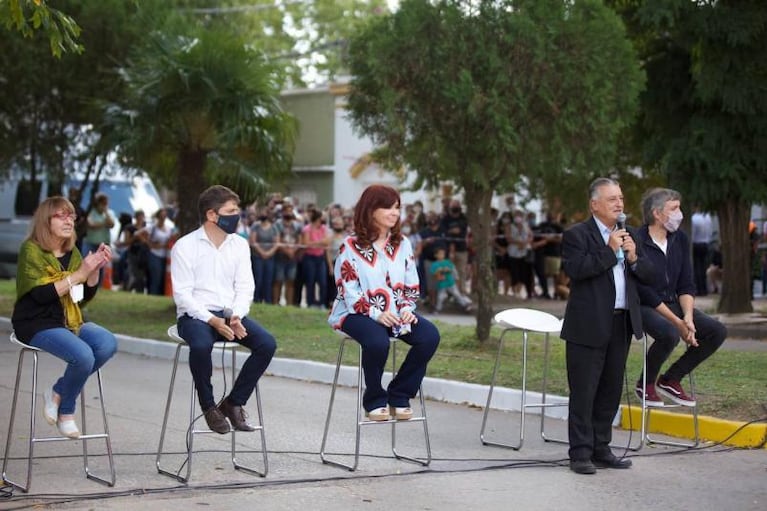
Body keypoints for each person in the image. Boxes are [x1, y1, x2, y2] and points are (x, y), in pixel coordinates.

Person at [560, 177, 653, 475]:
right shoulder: (577, 235)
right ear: (594, 204)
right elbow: (576, 271)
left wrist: (634, 257)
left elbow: (649, 275)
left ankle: (602, 447)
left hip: (620, 323)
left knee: (610, 389)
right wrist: (609, 251)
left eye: (621, 199)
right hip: (587, 324)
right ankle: (580, 453)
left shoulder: (631, 235)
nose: (619, 204)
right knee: (585, 390)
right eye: (612, 199)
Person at [328, 184, 440, 421]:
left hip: (396, 312)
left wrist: (408, 309)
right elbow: (348, 290)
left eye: (397, 207)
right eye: (387, 207)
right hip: (354, 313)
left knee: (429, 336)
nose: (394, 212)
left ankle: (399, 394)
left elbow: (411, 283)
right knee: (378, 341)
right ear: (370, 210)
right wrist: (375, 313)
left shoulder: (403, 244)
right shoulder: (350, 246)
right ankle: (374, 399)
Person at [171, 185, 276, 434]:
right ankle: (209, 407)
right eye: (230, 211)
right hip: (195, 316)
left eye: (237, 210)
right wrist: (212, 320)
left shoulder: (239, 246)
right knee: (200, 346)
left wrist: (236, 315)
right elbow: (183, 296)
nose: (236, 216)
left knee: (266, 344)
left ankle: (233, 402)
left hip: (230, 315)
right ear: (211, 215)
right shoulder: (184, 247)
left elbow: (245, 287)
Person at [11, 196, 117, 438]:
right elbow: (40, 295)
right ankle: (67, 410)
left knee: (106, 343)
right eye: (62, 215)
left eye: (72, 216)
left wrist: (94, 271)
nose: (69, 220)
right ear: (46, 220)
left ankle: (57, 392)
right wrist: (79, 274)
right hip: (35, 321)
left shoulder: (73, 252)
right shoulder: (32, 250)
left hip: (68, 319)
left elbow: (82, 298)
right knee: (82, 355)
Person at [633, 188, 727, 408]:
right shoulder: (637, 239)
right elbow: (643, 290)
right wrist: (678, 323)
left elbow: (686, 283)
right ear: (657, 213)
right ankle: (645, 384)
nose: (680, 213)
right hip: (644, 305)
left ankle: (671, 379)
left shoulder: (680, 239)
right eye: (674, 208)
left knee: (717, 331)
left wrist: (688, 317)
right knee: (670, 332)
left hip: (673, 302)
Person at [249, 206, 280, 303]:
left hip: (270, 258)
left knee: (268, 280)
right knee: (258, 279)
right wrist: (262, 253)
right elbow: (253, 241)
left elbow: (277, 243)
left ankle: (268, 300)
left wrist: (269, 253)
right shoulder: (255, 226)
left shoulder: (274, 227)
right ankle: (256, 300)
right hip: (257, 257)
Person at [301, 209, 330, 308]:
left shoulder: (323, 228)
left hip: (320, 258)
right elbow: (306, 243)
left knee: (322, 282)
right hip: (310, 258)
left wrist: (315, 243)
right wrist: (320, 242)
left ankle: (322, 302)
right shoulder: (307, 229)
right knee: (310, 281)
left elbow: (327, 242)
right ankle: (311, 302)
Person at [429, 247, 473, 313]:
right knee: (440, 297)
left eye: (442, 254)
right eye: (439, 254)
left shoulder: (447, 262)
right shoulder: (434, 264)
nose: (441, 256)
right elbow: (433, 273)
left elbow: (452, 270)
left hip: (450, 283)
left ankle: (466, 304)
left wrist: (447, 270)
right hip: (442, 284)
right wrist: (438, 271)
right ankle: (437, 309)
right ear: (436, 255)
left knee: (456, 294)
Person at [440, 199, 470, 294]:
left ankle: (461, 291)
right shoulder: (445, 218)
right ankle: (450, 292)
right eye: (453, 206)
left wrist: (451, 230)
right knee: (449, 271)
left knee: (461, 271)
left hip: (462, 248)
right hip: (448, 249)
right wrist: (452, 231)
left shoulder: (463, 218)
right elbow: (444, 231)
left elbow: (461, 230)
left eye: (456, 206)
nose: (455, 208)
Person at [145, 208, 173, 295]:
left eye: (164, 216)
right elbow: (144, 237)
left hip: (165, 255)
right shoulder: (153, 227)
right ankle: (153, 294)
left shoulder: (168, 228)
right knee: (155, 278)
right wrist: (154, 245)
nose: (163, 218)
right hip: (154, 254)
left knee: (162, 278)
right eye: (161, 216)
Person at [691, 207, 713, 296]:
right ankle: (704, 289)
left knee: (697, 267)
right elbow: (710, 231)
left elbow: (693, 233)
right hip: (706, 243)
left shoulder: (694, 219)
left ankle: (699, 289)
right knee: (704, 267)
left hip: (696, 243)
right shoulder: (708, 217)